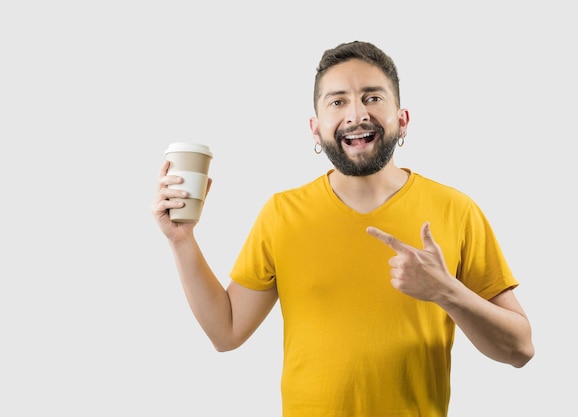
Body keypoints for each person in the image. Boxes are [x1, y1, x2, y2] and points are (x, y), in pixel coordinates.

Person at [151, 40, 534, 416]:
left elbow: (520, 349)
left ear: (402, 120)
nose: (356, 115)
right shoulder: (282, 213)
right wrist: (182, 241)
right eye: (338, 101)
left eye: (372, 97)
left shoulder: (456, 210)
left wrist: (446, 291)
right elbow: (226, 332)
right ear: (315, 129)